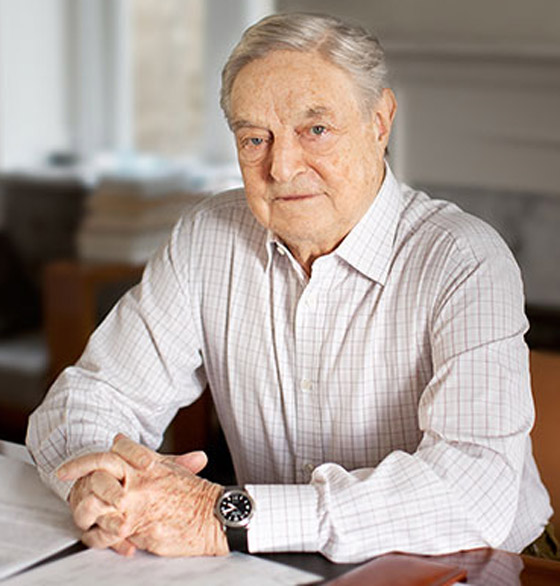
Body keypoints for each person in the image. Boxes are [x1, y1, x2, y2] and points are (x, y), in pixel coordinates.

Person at [27, 12, 553, 563]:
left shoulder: (465, 260)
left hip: (481, 565)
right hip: (280, 563)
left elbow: (474, 493)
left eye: (315, 130)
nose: (280, 167)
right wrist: (102, 482)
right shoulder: (207, 237)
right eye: (255, 138)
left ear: (379, 122)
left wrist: (220, 514)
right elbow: (91, 398)